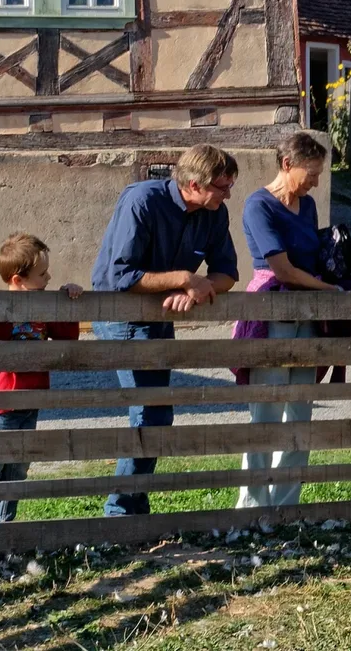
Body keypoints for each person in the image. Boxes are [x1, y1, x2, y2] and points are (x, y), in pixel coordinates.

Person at [90, 143, 240, 516]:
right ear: (194, 184)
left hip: (160, 316)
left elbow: (227, 273)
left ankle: (133, 508)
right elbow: (122, 276)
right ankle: (120, 513)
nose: (228, 194)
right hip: (121, 315)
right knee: (151, 414)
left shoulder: (214, 213)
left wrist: (198, 288)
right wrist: (184, 279)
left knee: (157, 415)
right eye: (222, 187)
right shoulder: (142, 201)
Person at [234, 133, 336, 509]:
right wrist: (329, 290)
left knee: (300, 414)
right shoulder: (258, 205)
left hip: (306, 314)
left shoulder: (307, 206)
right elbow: (282, 269)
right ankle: (253, 507)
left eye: (319, 173)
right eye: (312, 173)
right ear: (287, 164)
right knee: (266, 412)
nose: (316, 182)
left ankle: (286, 506)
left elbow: (310, 258)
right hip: (272, 310)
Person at [0, 232, 82, 524]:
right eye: (42, 274)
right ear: (18, 280)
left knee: (18, 468)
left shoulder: (44, 307)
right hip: (1, 405)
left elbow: (67, 336)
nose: (49, 277)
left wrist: (68, 301)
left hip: (31, 401)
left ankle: (3, 525)